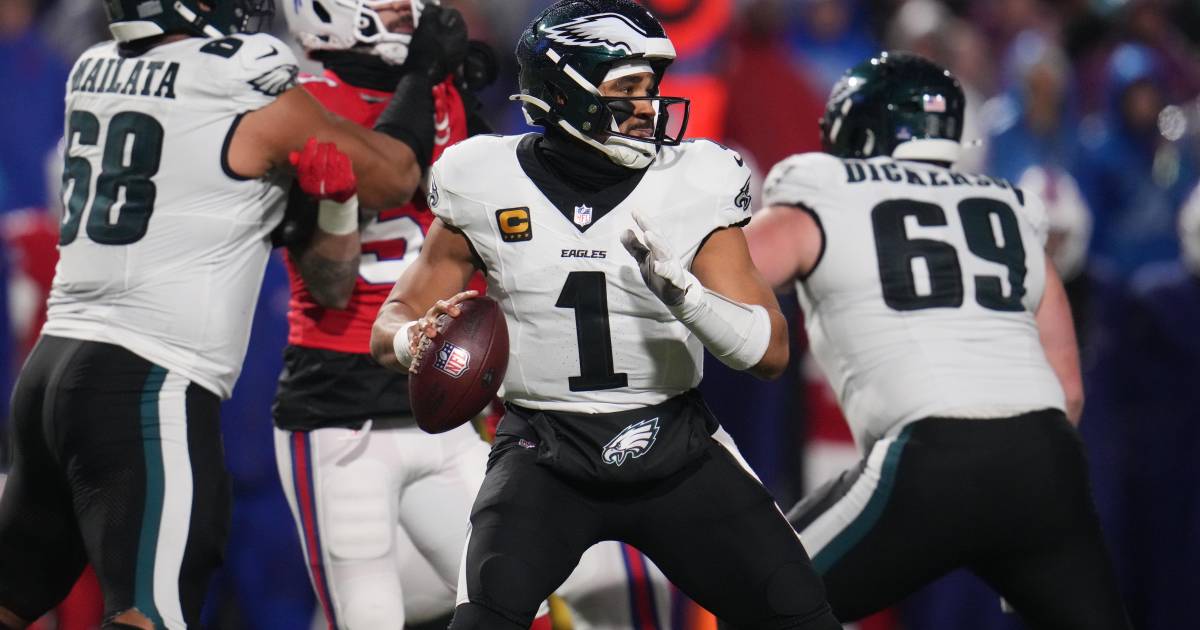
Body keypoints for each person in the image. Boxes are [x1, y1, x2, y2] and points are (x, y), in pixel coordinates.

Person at [370, 1, 841, 629]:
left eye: (651, 87)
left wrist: (689, 299)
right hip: (544, 454)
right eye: (627, 88)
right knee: (484, 616)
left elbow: (771, 351)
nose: (649, 106)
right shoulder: (482, 178)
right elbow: (392, 323)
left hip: (674, 447)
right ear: (565, 92)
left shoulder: (694, 177)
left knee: (800, 614)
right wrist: (415, 340)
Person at [0, 0, 452, 625]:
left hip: (50, 376)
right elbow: (395, 174)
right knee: (152, 615)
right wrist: (423, 71)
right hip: (147, 384)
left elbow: (322, 275)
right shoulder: (238, 75)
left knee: (12, 598)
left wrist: (328, 211)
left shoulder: (92, 68)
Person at [745, 51, 1131, 630]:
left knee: (755, 598)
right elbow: (1068, 388)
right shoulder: (1008, 209)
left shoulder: (824, 192)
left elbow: (730, 273)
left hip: (931, 453)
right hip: (1047, 461)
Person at [270, 1, 494, 628]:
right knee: (370, 617)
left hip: (443, 403)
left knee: (510, 596)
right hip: (341, 414)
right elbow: (330, 285)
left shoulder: (445, 90)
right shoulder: (304, 102)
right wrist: (339, 208)